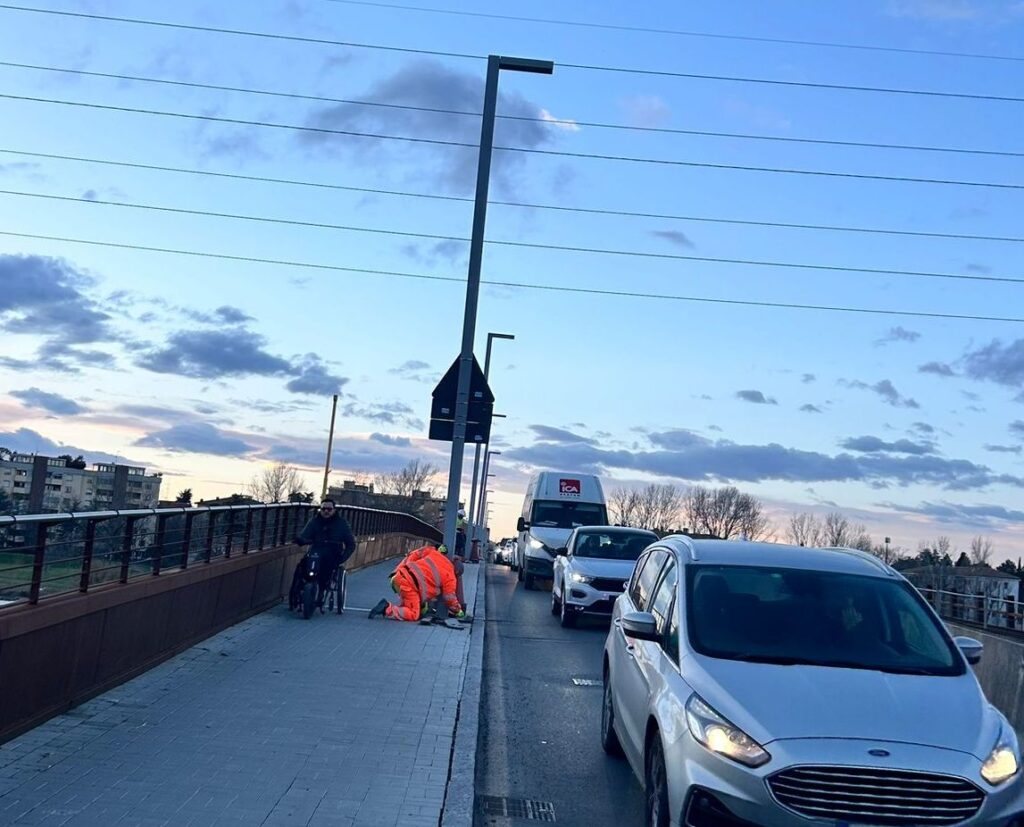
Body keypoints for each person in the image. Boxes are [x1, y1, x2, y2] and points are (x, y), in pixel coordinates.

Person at [368, 545, 464, 621]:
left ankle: (397, 608)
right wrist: (458, 610)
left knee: (407, 605)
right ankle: (387, 608)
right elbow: (449, 597)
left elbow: (420, 552)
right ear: (457, 573)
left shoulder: (436, 554)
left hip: (400, 575)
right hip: (409, 585)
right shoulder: (451, 577)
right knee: (414, 614)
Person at [294, 499, 356, 606]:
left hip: (333, 553)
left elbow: (351, 544)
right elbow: (304, 536)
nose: (326, 511)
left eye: (329, 509)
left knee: (327, 568)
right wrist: (301, 540)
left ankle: (321, 590)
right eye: (323, 509)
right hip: (316, 551)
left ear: (334, 510)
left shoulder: (341, 524)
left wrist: (342, 558)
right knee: (303, 565)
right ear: (320, 510)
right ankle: (298, 592)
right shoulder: (314, 522)